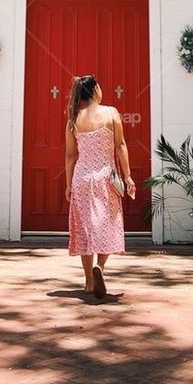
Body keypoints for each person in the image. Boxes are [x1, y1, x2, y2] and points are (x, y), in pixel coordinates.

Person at [64, 74, 137, 298]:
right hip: (106, 177)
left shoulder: (74, 118)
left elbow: (70, 156)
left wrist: (68, 185)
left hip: (82, 178)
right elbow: (120, 145)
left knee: (84, 228)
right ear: (96, 90)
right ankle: (100, 267)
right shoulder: (111, 112)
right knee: (107, 223)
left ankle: (88, 281)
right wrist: (128, 177)